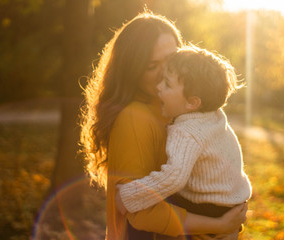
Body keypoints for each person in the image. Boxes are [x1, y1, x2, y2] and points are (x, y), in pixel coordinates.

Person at [80, 11, 247, 240]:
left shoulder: (179, 111)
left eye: (171, 60)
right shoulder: (134, 118)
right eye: (152, 66)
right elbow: (141, 214)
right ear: (132, 71)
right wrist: (219, 225)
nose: (165, 73)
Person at [116, 45, 252, 240]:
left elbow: (173, 176)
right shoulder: (213, 116)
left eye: (167, 84)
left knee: (162, 216)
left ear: (192, 103)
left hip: (205, 208)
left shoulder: (186, 131)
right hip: (229, 204)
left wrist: (129, 196)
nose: (159, 87)